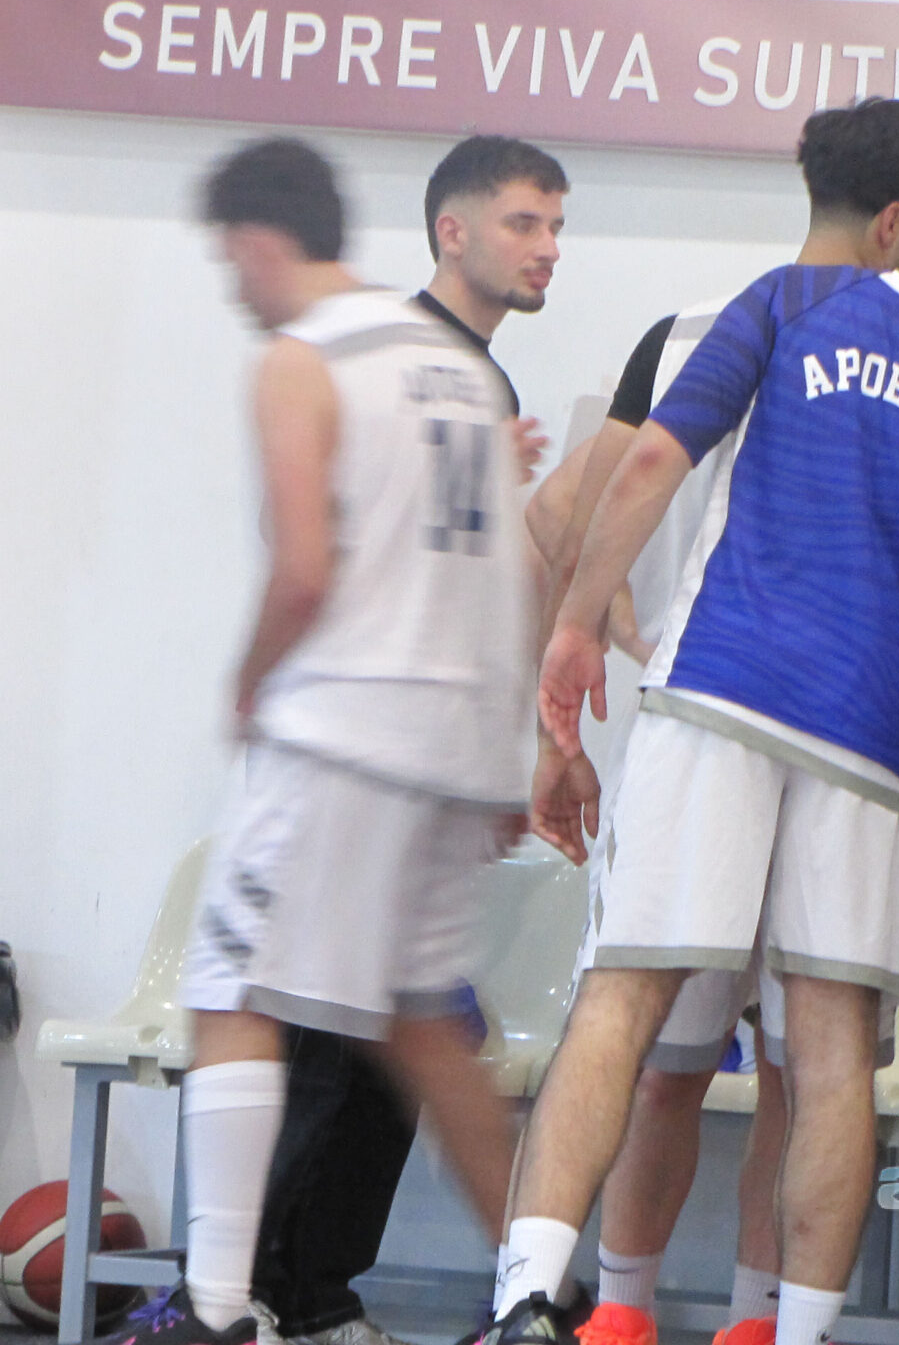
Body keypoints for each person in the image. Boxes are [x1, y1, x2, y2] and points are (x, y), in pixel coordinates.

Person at [491, 145, 899, 1345]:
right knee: (827, 1061)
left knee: (622, 1001)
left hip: (719, 693)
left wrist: (573, 628)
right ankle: (797, 1331)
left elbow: (653, 457)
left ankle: (525, 1300)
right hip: (874, 745)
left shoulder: (792, 301)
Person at [93, 137, 535, 1345]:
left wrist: (247, 687)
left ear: (256, 240)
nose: (230, 282)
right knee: (423, 1027)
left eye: (226, 258)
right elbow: (510, 575)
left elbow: (301, 568)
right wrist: (507, 754)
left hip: (344, 727)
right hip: (454, 741)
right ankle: (545, 1286)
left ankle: (218, 1309)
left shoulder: (307, 359)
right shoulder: (461, 372)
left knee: (232, 987)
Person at [247, 131, 566, 1345]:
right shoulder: (377, 350)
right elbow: (324, 545)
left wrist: (500, 755)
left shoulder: (484, 386)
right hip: (352, 744)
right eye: (525, 223)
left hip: (434, 753)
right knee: (327, 1032)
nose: (547, 250)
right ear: (454, 229)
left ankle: (323, 1291)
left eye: (555, 228)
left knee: (409, 1031)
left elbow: (480, 584)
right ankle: (259, 1294)